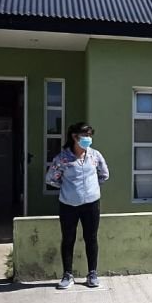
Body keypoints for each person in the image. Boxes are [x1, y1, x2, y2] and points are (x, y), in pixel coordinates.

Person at [45, 122, 110, 289]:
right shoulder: (63, 158)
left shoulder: (95, 155)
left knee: (91, 238)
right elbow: (51, 179)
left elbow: (104, 175)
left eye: (90, 135)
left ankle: (92, 273)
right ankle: (67, 275)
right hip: (68, 204)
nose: (88, 139)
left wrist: (91, 187)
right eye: (85, 135)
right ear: (74, 137)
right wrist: (69, 188)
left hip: (91, 204)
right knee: (68, 238)